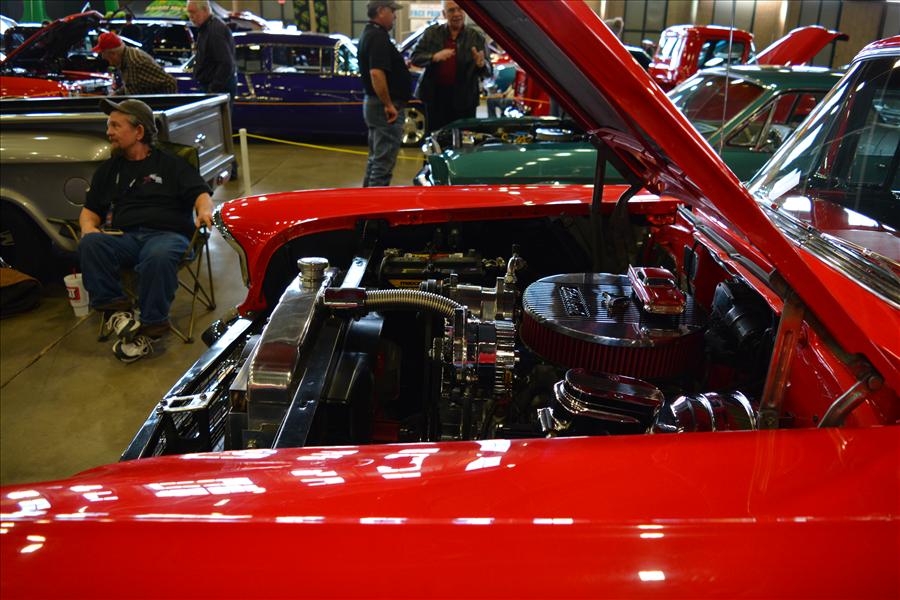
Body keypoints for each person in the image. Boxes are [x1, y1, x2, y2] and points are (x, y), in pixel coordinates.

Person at [79, 99, 213, 363]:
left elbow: (201, 194)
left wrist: (204, 211)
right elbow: (90, 211)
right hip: (126, 238)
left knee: (158, 255)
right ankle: (118, 314)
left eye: (115, 126)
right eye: (108, 126)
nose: (109, 132)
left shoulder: (171, 164)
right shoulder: (109, 170)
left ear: (139, 131)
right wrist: (88, 228)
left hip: (168, 236)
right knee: (90, 244)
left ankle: (150, 327)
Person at [410, 0, 492, 133]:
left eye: (460, 9)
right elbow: (415, 57)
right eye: (451, 10)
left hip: (465, 99)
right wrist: (433, 57)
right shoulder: (431, 33)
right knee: (436, 137)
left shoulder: (476, 37)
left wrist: (481, 64)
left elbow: (489, 72)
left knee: (464, 139)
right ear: (444, 14)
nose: (456, 14)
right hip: (435, 98)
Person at [358, 0, 411, 187]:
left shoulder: (369, 33)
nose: (395, 16)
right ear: (381, 11)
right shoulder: (378, 37)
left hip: (375, 104)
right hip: (384, 108)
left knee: (375, 161)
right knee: (382, 166)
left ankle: (366, 201)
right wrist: (388, 104)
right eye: (392, 11)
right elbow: (376, 73)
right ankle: (375, 203)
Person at [92, 31, 177, 95]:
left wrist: (162, 107)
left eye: (103, 53)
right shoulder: (126, 59)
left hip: (147, 111)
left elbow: (170, 82)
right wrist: (116, 95)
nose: (102, 57)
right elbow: (132, 85)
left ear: (113, 54)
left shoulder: (136, 63)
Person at [187, 0, 236, 103]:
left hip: (218, 90)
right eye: (189, 12)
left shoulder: (215, 30)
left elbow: (226, 64)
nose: (191, 16)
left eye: (193, 12)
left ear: (205, 10)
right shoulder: (206, 28)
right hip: (213, 87)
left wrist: (213, 90)